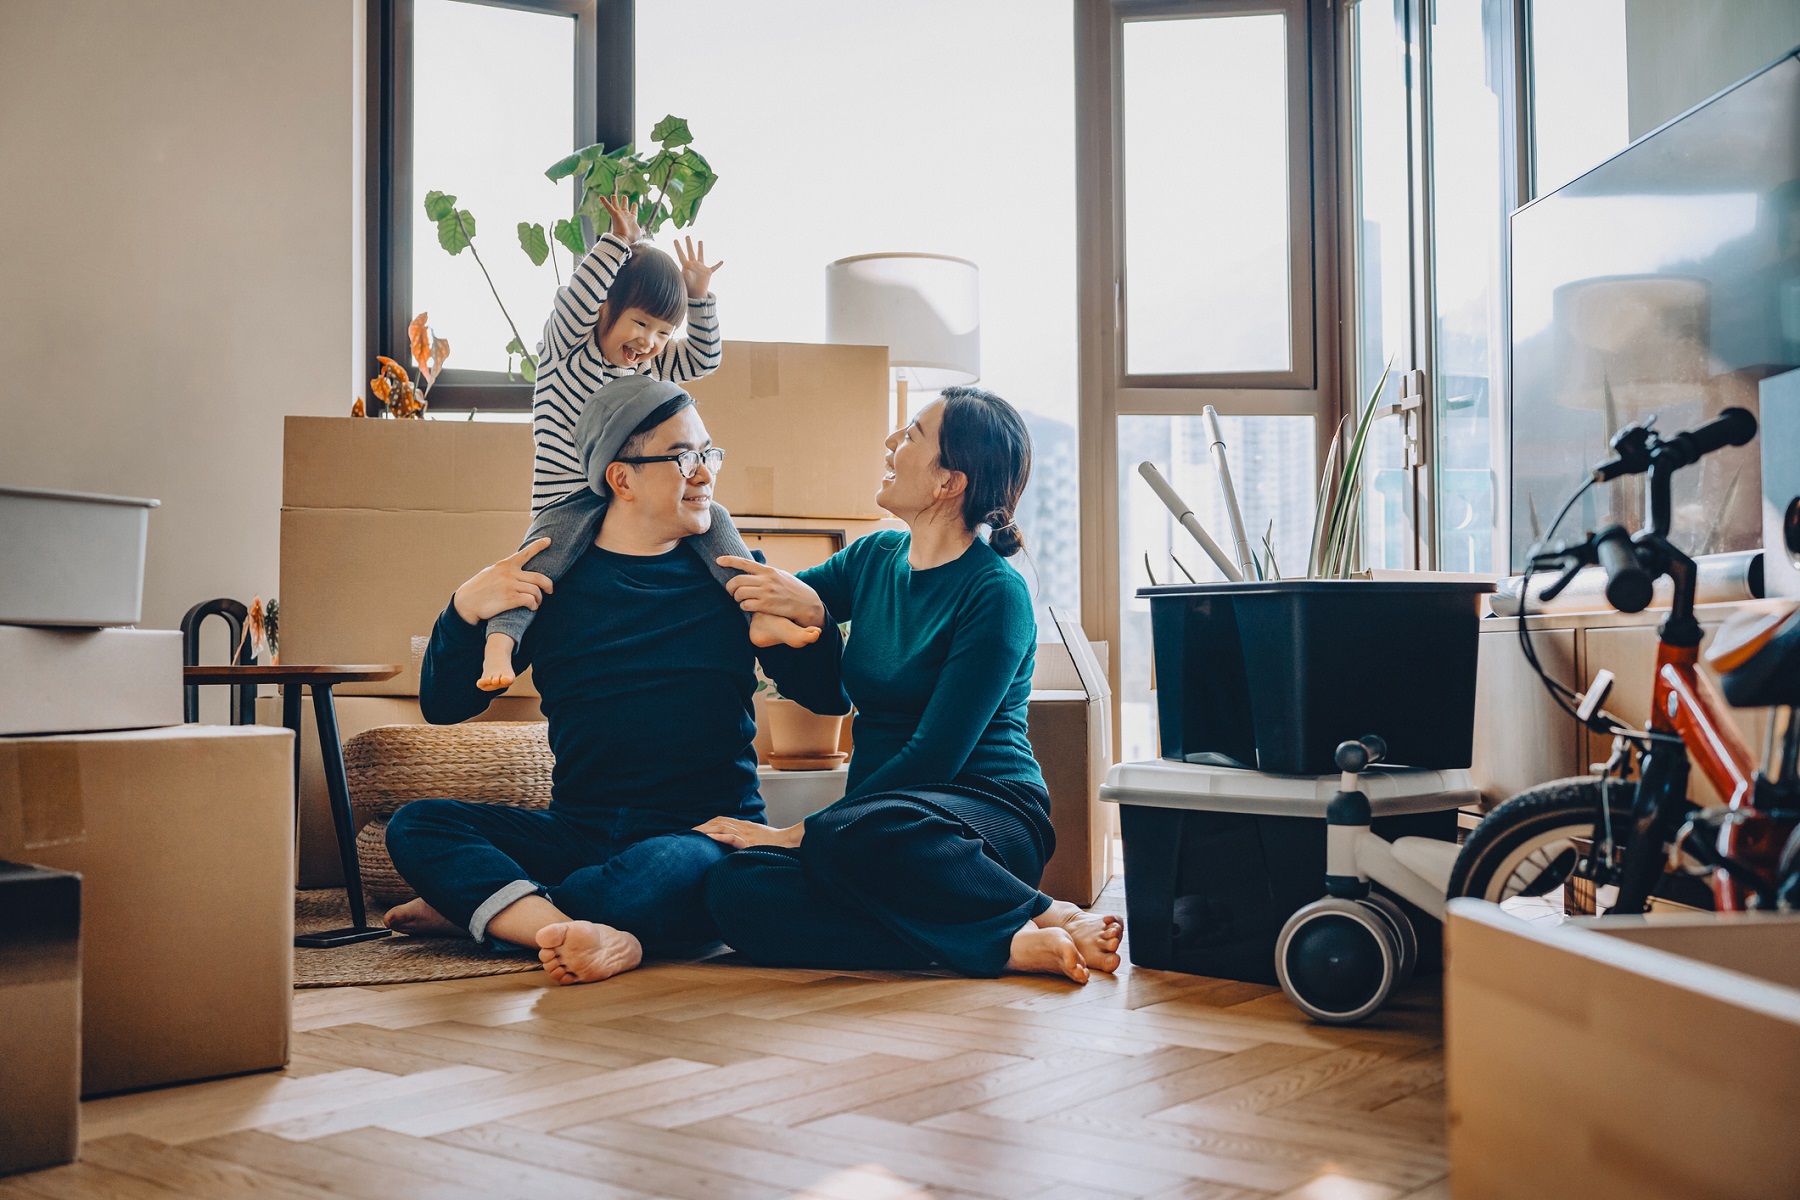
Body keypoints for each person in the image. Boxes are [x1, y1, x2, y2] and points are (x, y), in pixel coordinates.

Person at [382, 376, 848, 986]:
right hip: (579, 829)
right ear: (621, 479)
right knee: (417, 825)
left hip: (701, 830)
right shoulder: (551, 585)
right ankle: (574, 926)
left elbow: (826, 696)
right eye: (685, 457)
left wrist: (812, 618)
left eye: (710, 454)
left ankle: (506, 911)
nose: (705, 473)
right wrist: (464, 609)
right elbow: (444, 705)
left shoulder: (734, 577)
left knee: (659, 874)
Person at [695, 387, 1124, 984]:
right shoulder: (875, 557)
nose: (892, 443)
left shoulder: (995, 594)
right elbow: (780, 600)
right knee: (735, 891)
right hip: (871, 828)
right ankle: (1006, 944)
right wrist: (807, 611)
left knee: (857, 833)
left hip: (974, 818)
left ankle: (1043, 910)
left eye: (913, 435)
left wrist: (799, 833)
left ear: (949, 481)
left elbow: (934, 757)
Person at [477, 194, 815, 694]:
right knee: (533, 568)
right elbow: (574, 303)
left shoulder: (647, 369)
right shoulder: (568, 353)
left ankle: (756, 617)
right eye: (640, 323)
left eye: (663, 331)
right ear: (606, 309)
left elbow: (702, 359)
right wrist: (618, 245)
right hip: (567, 500)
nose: (650, 341)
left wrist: (699, 298)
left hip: (627, 501)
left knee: (715, 521)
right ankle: (499, 643)